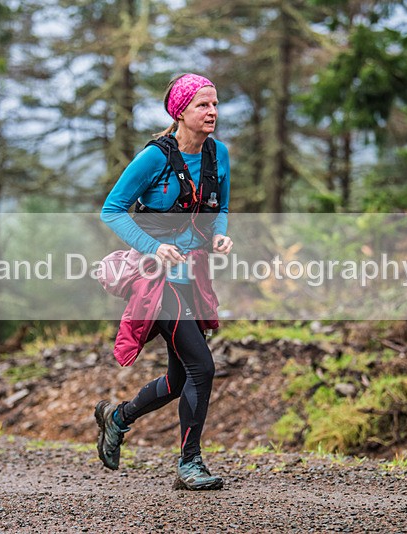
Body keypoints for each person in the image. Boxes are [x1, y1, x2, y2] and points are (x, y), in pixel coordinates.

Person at [96, 73, 233, 490]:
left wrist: (220, 233)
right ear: (180, 112)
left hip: (193, 276)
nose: (211, 112)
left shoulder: (218, 154)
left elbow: (221, 203)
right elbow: (112, 210)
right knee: (202, 367)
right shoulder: (155, 158)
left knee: (179, 379)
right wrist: (154, 248)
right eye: (202, 105)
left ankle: (116, 418)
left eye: (214, 104)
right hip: (156, 280)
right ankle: (189, 464)